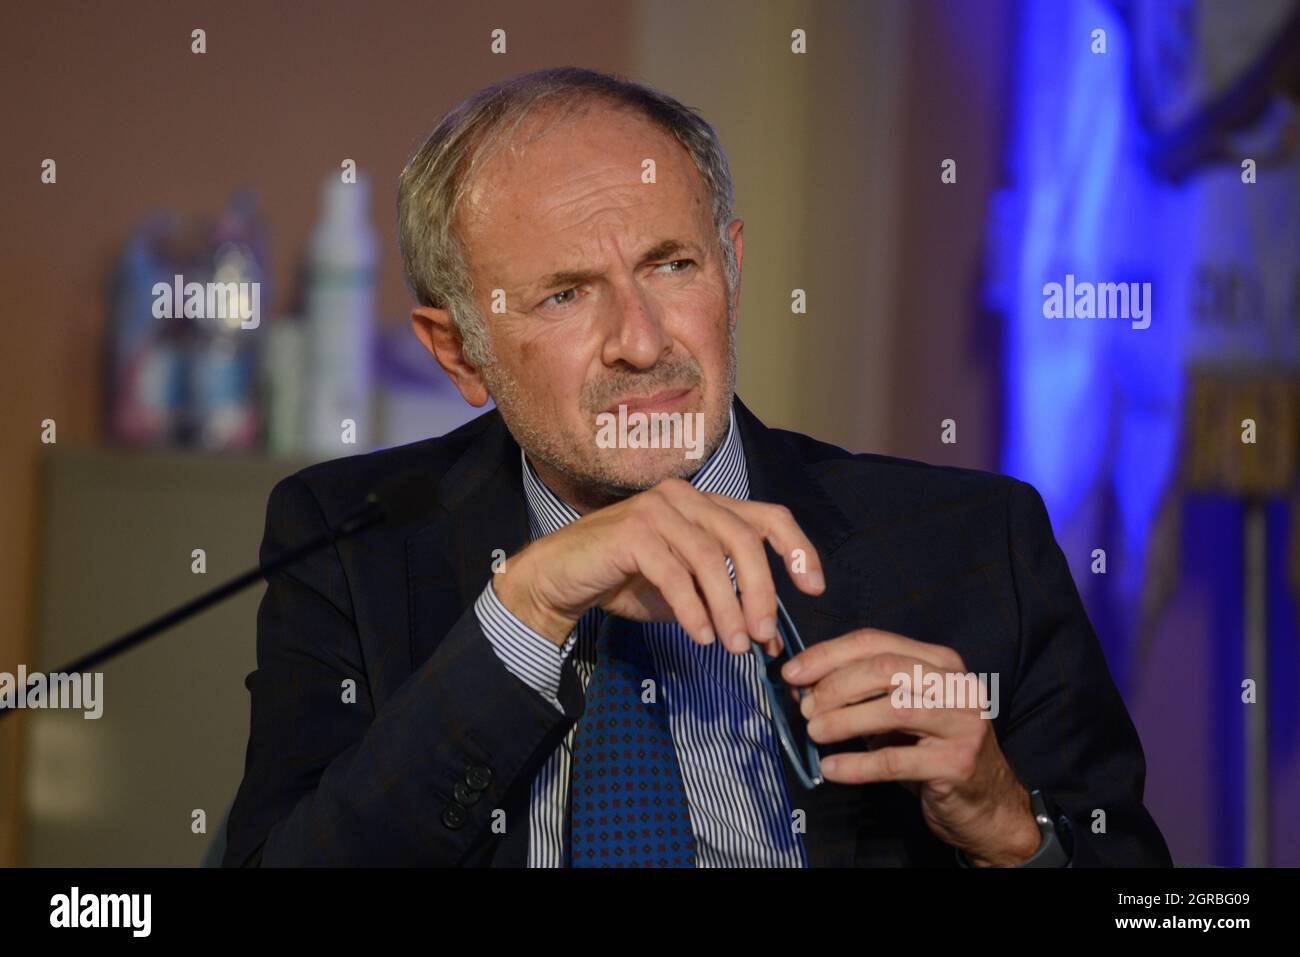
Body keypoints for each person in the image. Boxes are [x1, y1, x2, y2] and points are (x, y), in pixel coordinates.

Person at [223, 66, 1171, 868]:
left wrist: (1009, 827)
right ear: (460, 351)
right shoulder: (350, 542)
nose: (641, 342)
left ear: (733, 265)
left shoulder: (973, 543)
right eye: (564, 294)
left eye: (673, 265)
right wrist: (526, 612)